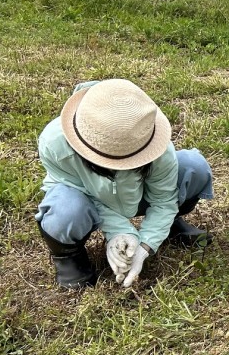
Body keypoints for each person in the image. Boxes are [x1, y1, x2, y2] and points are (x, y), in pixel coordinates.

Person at [35, 79, 213, 289]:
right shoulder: (54, 143)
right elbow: (81, 192)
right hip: (88, 202)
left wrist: (145, 246)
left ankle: (170, 224)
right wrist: (119, 232)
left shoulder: (153, 143)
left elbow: (164, 199)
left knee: (193, 168)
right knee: (65, 207)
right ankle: (68, 257)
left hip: (138, 197)